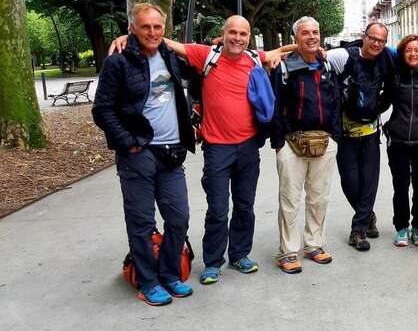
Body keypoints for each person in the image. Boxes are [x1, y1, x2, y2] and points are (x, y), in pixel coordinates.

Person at [109, 16, 289, 284]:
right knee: (217, 208)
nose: (237, 38)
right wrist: (129, 37)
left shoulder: (253, 58)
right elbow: (167, 43)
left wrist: (309, 49)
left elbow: (284, 50)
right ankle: (213, 262)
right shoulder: (207, 56)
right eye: (232, 32)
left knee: (244, 205)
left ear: (248, 37)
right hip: (217, 147)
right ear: (223, 33)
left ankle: (239, 254)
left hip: (249, 146)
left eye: (242, 33)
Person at [93, 3, 195, 306]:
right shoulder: (118, 61)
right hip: (139, 154)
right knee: (141, 221)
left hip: (172, 153)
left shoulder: (170, 57)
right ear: (132, 29)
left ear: (164, 30)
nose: (152, 32)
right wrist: (126, 140)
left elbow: (202, 63)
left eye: (157, 27)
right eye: (145, 27)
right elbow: (102, 110)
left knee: (179, 217)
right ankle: (148, 282)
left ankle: (169, 274)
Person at [270, 16, 341, 274]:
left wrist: (334, 136)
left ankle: (314, 244)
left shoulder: (327, 66)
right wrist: (278, 143)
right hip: (291, 143)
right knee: (289, 200)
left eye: (315, 32)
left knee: (318, 198)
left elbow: (335, 102)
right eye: (305, 33)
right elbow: (275, 106)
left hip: (324, 142)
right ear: (295, 39)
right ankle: (287, 251)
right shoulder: (285, 67)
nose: (312, 37)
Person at [325, 22, 394, 251]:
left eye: (381, 41)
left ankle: (359, 230)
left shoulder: (386, 59)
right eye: (372, 38)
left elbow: (394, 86)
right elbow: (314, 54)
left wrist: (378, 109)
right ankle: (368, 215)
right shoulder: (342, 56)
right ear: (364, 37)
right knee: (350, 183)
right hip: (345, 134)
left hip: (371, 134)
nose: (376, 44)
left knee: (369, 183)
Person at [382, 34, 418, 248]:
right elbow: (383, 103)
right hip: (397, 141)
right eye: (408, 50)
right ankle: (401, 227)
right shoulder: (394, 76)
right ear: (402, 53)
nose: (413, 54)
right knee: (401, 186)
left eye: (417, 50)